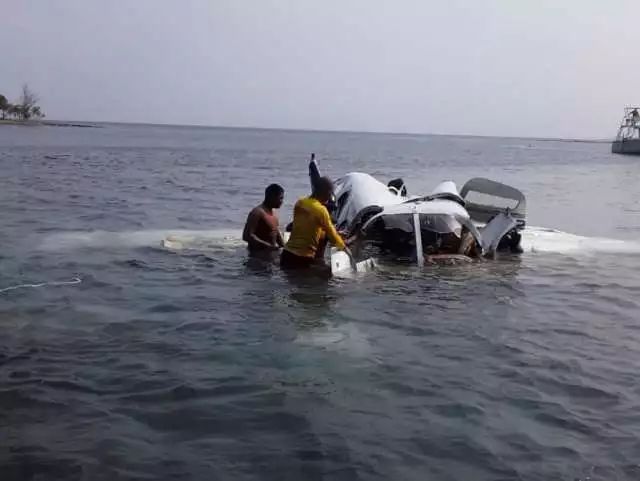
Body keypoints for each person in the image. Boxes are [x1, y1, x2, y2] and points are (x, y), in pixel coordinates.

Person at [281, 177, 352, 270]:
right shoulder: (321, 210)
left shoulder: (300, 202)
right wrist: (346, 250)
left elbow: (307, 227)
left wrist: (337, 233)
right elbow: (332, 235)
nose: (330, 195)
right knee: (327, 278)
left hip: (286, 254)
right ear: (326, 192)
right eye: (330, 193)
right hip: (302, 258)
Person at [242, 184, 285, 254]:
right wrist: (269, 246)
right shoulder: (257, 212)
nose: (282, 201)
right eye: (280, 198)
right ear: (271, 197)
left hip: (270, 255)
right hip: (257, 257)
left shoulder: (273, 213)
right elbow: (247, 236)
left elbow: (275, 231)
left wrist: (284, 247)